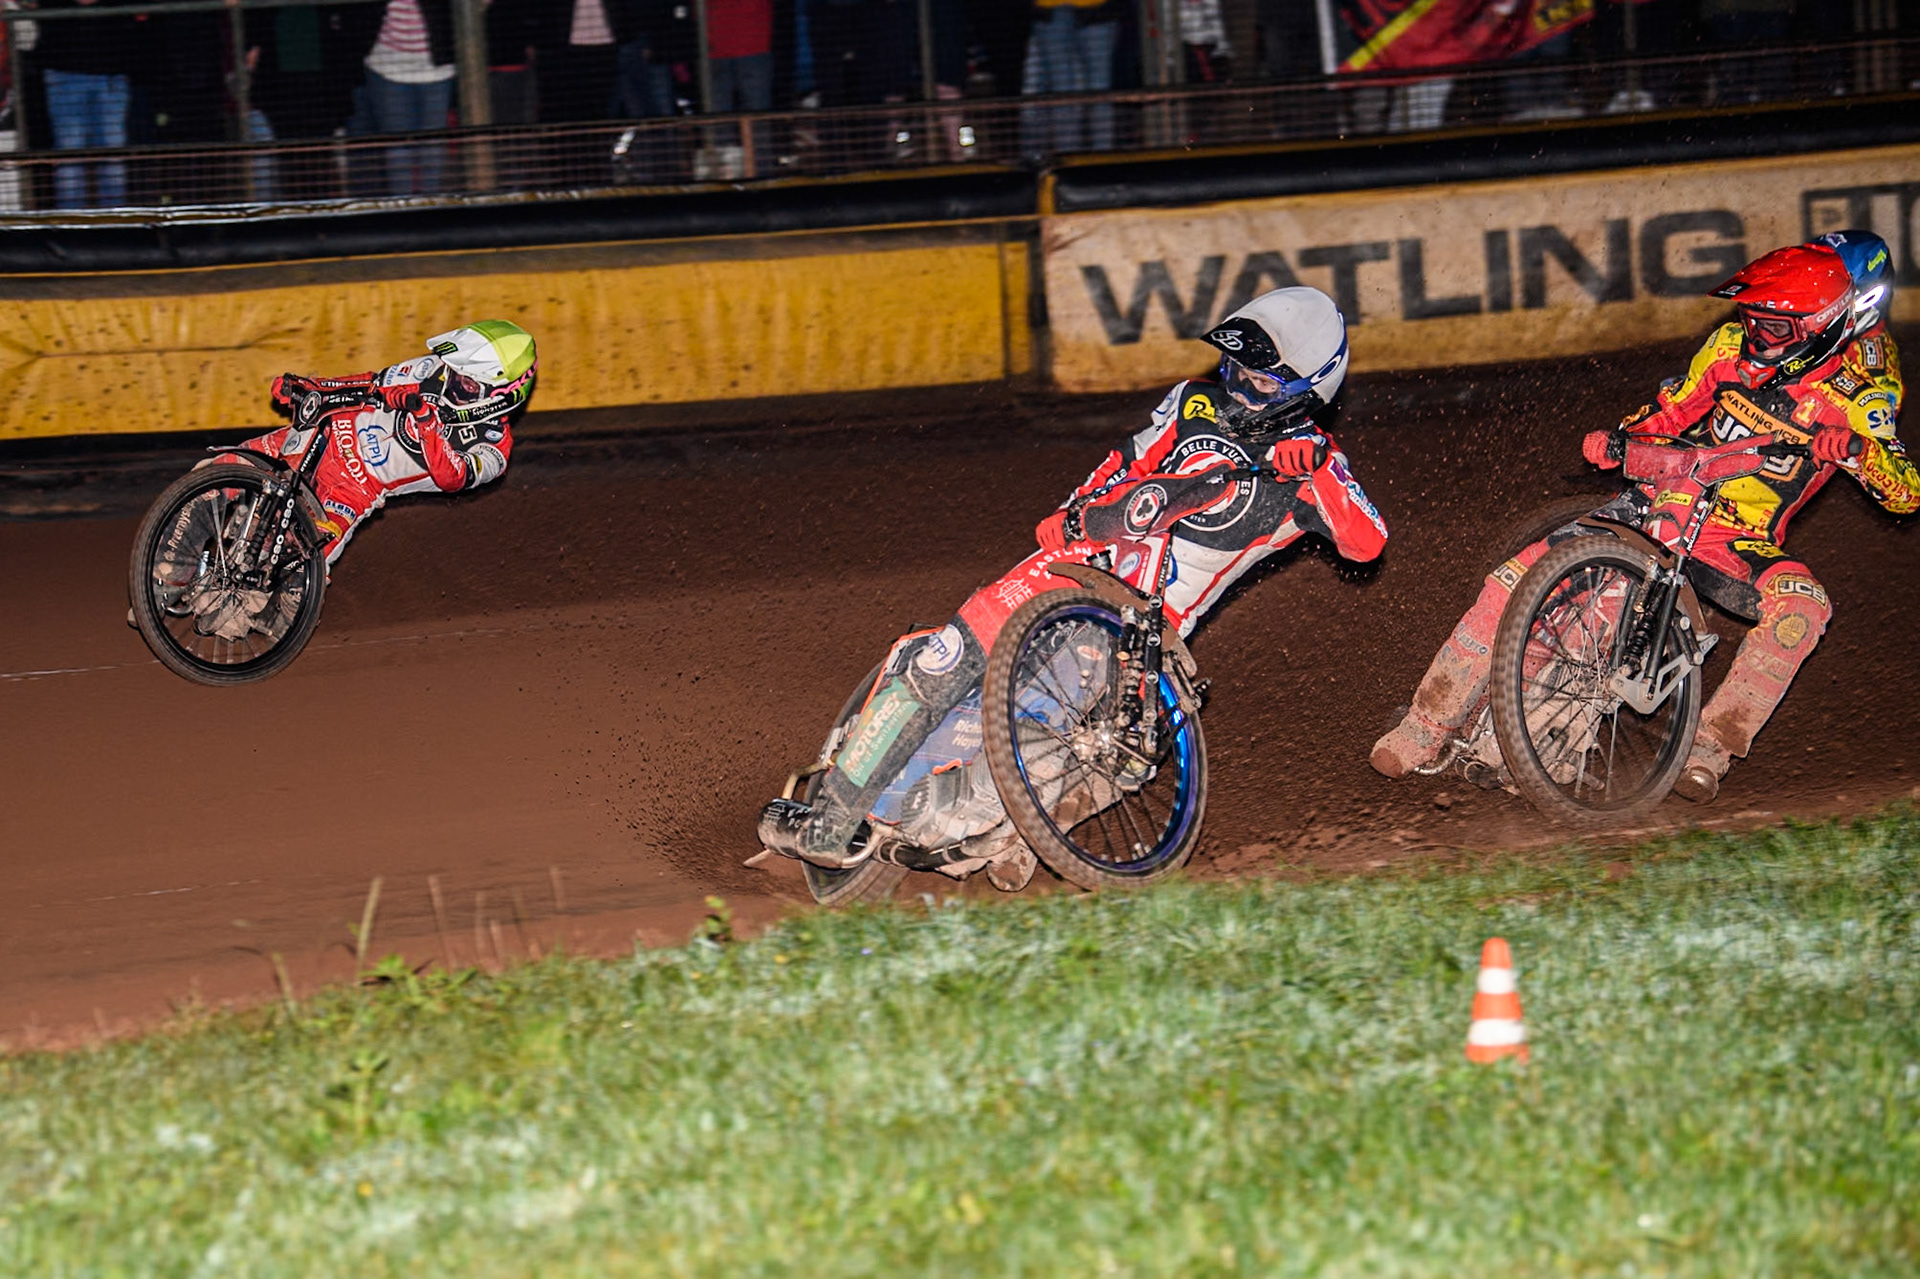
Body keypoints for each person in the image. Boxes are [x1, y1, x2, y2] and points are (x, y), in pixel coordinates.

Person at [759, 286, 1389, 868]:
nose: (1242, 389)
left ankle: (959, 828)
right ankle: (829, 815)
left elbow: (1368, 542)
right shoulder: (1192, 400)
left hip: (1139, 623)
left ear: (1306, 392)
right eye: (1237, 372)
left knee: (1050, 725)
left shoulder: (1314, 468)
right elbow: (1119, 465)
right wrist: (1079, 512)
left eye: (1261, 382)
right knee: (933, 661)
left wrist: (1316, 468)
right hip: (1067, 568)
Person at [1370, 236, 1914, 803]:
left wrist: (1860, 452)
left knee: (1803, 606)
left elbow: (1906, 493)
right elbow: (1676, 407)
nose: (1755, 336)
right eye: (1750, 320)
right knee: (1513, 580)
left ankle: (1707, 749)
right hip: (1665, 498)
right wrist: (1627, 435)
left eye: (1773, 329)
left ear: (1823, 325)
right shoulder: (1730, 345)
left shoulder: (1861, 393)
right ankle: (1424, 729)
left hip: (1739, 535)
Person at [218, 321, 537, 567]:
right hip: (326, 434)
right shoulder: (433, 372)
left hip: (351, 493)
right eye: (455, 373)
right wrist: (312, 386)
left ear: (500, 396)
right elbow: (371, 383)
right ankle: (171, 574)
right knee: (219, 472)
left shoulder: (493, 450)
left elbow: (452, 478)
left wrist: (426, 422)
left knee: (300, 565)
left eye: (466, 383)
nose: (451, 382)